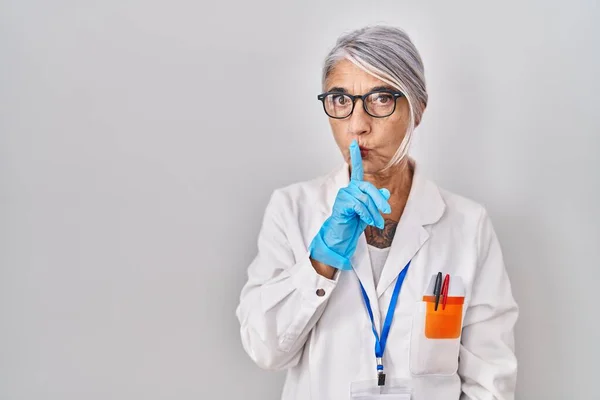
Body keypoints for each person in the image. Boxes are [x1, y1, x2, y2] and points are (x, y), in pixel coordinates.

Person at [235, 25, 518, 400]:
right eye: (340, 99)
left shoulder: (468, 225)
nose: (357, 125)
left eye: (381, 99)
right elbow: (265, 348)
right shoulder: (292, 210)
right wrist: (321, 261)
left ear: (417, 109)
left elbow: (490, 380)